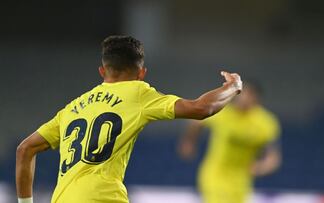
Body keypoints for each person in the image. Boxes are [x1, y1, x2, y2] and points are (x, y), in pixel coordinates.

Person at [15, 35, 243, 203]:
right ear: (141, 73)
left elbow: (25, 149)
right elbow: (202, 108)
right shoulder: (138, 92)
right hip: (103, 197)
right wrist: (233, 87)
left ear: (102, 71)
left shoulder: (73, 107)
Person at [179, 81, 281, 203]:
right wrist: (189, 141)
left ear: (256, 99)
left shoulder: (265, 123)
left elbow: (273, 158)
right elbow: (196, 121)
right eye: (242, 95)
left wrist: (260, 167)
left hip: (241, 180)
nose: (244, 99)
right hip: (216, 175)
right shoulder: (223, 112)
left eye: (248, 95)